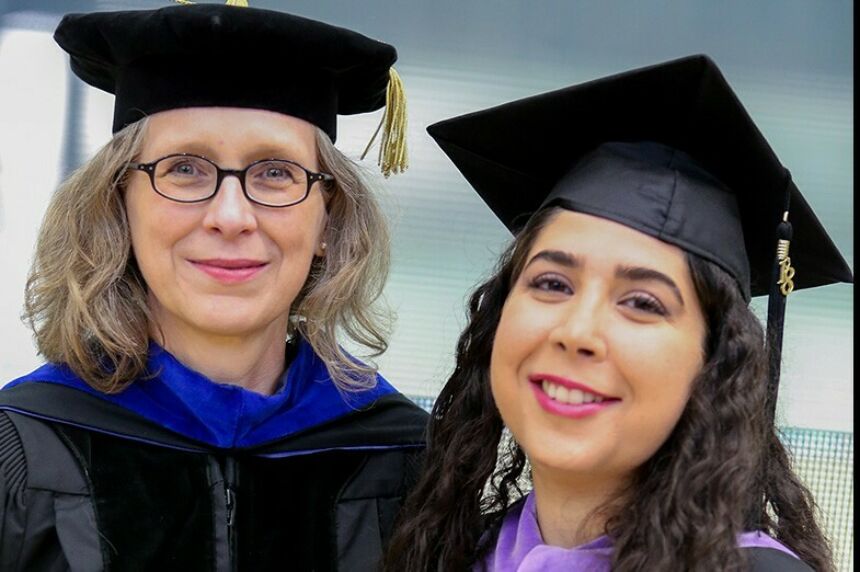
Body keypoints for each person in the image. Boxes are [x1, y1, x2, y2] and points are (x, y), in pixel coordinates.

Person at [0, 2, 426, 570]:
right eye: (184, 168)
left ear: (329, 219)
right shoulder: (24, 448)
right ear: (118, 207)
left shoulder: (412, 464)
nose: (231, 215)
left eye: (276, 172)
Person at [384, 55, 852, 571]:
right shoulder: (447, 552)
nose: (577, 331)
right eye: (552, 283)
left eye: (642, 303)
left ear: (714, 363)